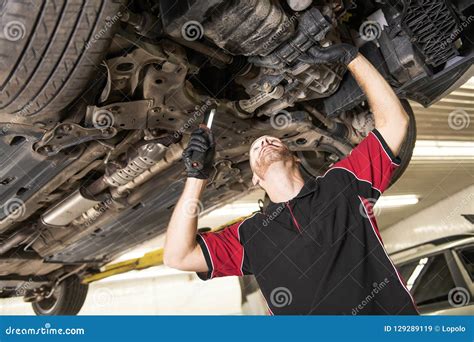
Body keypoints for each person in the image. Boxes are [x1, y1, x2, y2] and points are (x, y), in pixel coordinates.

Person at [163, 44, 418, 315]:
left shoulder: (343, 183)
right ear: (255, 181)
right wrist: (196, 176)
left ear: (295, 156)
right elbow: (177, 256)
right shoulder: (249, 236)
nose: (264, 142)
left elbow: (395, 122)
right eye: (255, 148)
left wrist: (351, 57)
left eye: (271, 139)